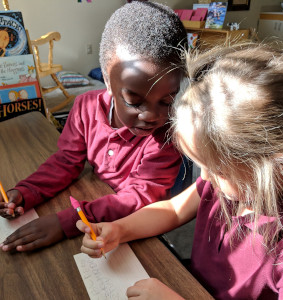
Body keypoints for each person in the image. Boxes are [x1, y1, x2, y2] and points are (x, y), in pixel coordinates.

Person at [76, 44, 283, 299]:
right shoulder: (223, 186)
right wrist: (119, 229)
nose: (204, 178)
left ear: (281, 166)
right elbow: (172, 210)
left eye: (217, 170)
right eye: (199, 165)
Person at [0, 2, 187, 252]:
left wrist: (67, 221)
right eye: (134, 100)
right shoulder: (84, 107)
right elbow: (66, 161)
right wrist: (27, 191)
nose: (152, 115)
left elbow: (140, 197)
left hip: (139, 228)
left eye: (167, 101)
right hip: (95, 207)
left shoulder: (168, 135)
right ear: (108, 82)